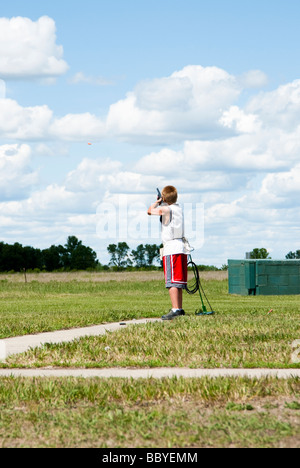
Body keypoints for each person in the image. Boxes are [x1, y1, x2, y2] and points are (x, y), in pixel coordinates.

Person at [147, 185, 188, 320]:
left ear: (164, 198)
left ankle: (175, 309)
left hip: (171, 248)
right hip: (181, 247)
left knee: (171, 282)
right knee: (179, 282)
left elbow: (150, 211)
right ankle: (179, 308)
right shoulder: (178, 209)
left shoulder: (166, 209)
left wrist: (158, 202)